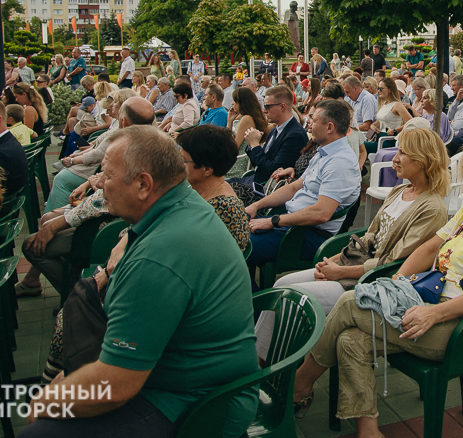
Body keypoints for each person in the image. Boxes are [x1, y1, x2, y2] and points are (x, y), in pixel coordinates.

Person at [22, 127, 259, 436]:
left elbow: (117, 383)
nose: (101, 186)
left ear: (144, 185)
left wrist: (44, 402)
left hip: (201, 407)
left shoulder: (159, 255)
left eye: (107, 176)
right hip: (191, 383)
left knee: (37, 432)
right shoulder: (184, 205)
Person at [288, 140, 463, 434]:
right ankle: (368, 431)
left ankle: (299, 385)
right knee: (350, 339)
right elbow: (431, 247)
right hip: (432, 304)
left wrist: (435, 314)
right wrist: (396, 282)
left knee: (350, 303)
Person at [254, 128, 449, 359]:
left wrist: (340, 271)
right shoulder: (399, 191)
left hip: (373, 281)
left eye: (403, 153)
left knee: (294, 298)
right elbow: (369, 238)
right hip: (355, 267)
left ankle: (280, 369)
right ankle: (259, 361)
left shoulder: (432, 208)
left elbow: (394, 263)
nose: (395, 158)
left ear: (424, 160)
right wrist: (333, 261)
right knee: (282, 284)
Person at [244, 99, 361, 275]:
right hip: (292, 225)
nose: (309, 124)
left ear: (329, 127)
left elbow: (321, 213)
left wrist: (273, 221)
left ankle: (252, 300)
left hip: (304, 235)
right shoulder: (324, 153)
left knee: (236, 249)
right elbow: (293, 188)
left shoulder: (340, 162)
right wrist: (256, 205)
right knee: (234, 239)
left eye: (313, 120)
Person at [44, 93, 152, 211]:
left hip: (95, 176)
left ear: (125, 119)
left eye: (114, 102)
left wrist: (72, 161)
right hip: (97, 178)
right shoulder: (126, 131)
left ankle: (57, 210)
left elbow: (100, 159)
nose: (111, 105)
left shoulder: (125, 140)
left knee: (61, 180)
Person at [229, 85, 309, 190]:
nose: (264, 111)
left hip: (262, 188)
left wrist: (255, 145)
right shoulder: (276, 129)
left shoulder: (295, 135)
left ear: (282, 107)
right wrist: (252, 145)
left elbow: (272, 170)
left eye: (267, 107)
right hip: (255, 180)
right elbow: (259, 163)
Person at [365, 77, 413, 153]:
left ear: (390, 90)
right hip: (381, 137)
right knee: (358, 144)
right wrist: (373, 126)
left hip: (389, 140)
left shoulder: (397, 105)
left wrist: (394, 131)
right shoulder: (384, 104)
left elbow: (411, 122)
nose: (378, 91)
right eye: (378, 88)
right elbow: (380, 121)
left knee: (361, 146)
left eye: (381, 89)